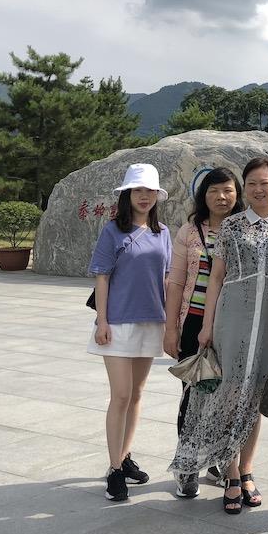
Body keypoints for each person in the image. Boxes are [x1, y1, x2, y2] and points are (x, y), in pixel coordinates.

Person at [168, 156, 268, 513]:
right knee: (229, 394)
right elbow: (216, 278)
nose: (257, 189)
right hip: (231, 318)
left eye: (263, 183)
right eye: (250, 183)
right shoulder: (232, 226)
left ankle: (248, 470)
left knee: (256, 398)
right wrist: (206, 325)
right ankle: (232, 474)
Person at [87, 163, 172, 502]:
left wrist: (173, 322)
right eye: (138, 191)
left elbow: (167, 278)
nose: (145, 196)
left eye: (150, 191)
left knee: (137, 395)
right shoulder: (112, 231)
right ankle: (114, 469)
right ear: (127, 195)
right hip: (119, 321)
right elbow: (102, 276)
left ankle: (124, 456)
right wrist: (102, 321)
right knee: (120, 395)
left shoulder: (162, 232)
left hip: (152, 320)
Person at [162, 167, 244, 498]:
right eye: (214, 191)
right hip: (194, 322)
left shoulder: (244, 229)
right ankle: (186, 466)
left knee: (229, 398)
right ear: (203, 195)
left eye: (227, 190)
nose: (221, 197)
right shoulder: (189, 231)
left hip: (234, 324)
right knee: (193, 396)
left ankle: (223, 462)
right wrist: (171, 329)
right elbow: (176, 281)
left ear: (238, 193)